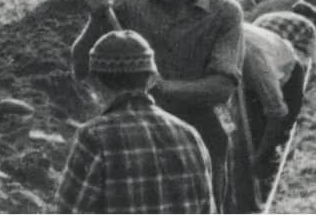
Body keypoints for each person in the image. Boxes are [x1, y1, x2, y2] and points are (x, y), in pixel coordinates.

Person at [72, 0, 243, 205]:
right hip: (128, 128)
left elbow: (222, 87)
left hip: (200, 126)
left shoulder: (226, 12)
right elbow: (80, 66)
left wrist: (161, 88)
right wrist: (96, 17)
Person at [56, 30, 215, 214]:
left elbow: (67, 211)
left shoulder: (93, 137)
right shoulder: (190, 135)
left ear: (96, 83)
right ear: (151, 80)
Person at [241, 23, 307, 181]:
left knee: (272, 137)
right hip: (258, 68)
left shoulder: (251, 57)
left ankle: (265, 177)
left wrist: (258, 159)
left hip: (287, 73)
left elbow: (277, 113)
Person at [253, 1, 316, 67]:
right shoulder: (308, 24)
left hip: (249, 51)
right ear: (311, 19)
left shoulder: (269, 15)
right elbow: (313, 57)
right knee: (304, 57)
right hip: (269, 59)